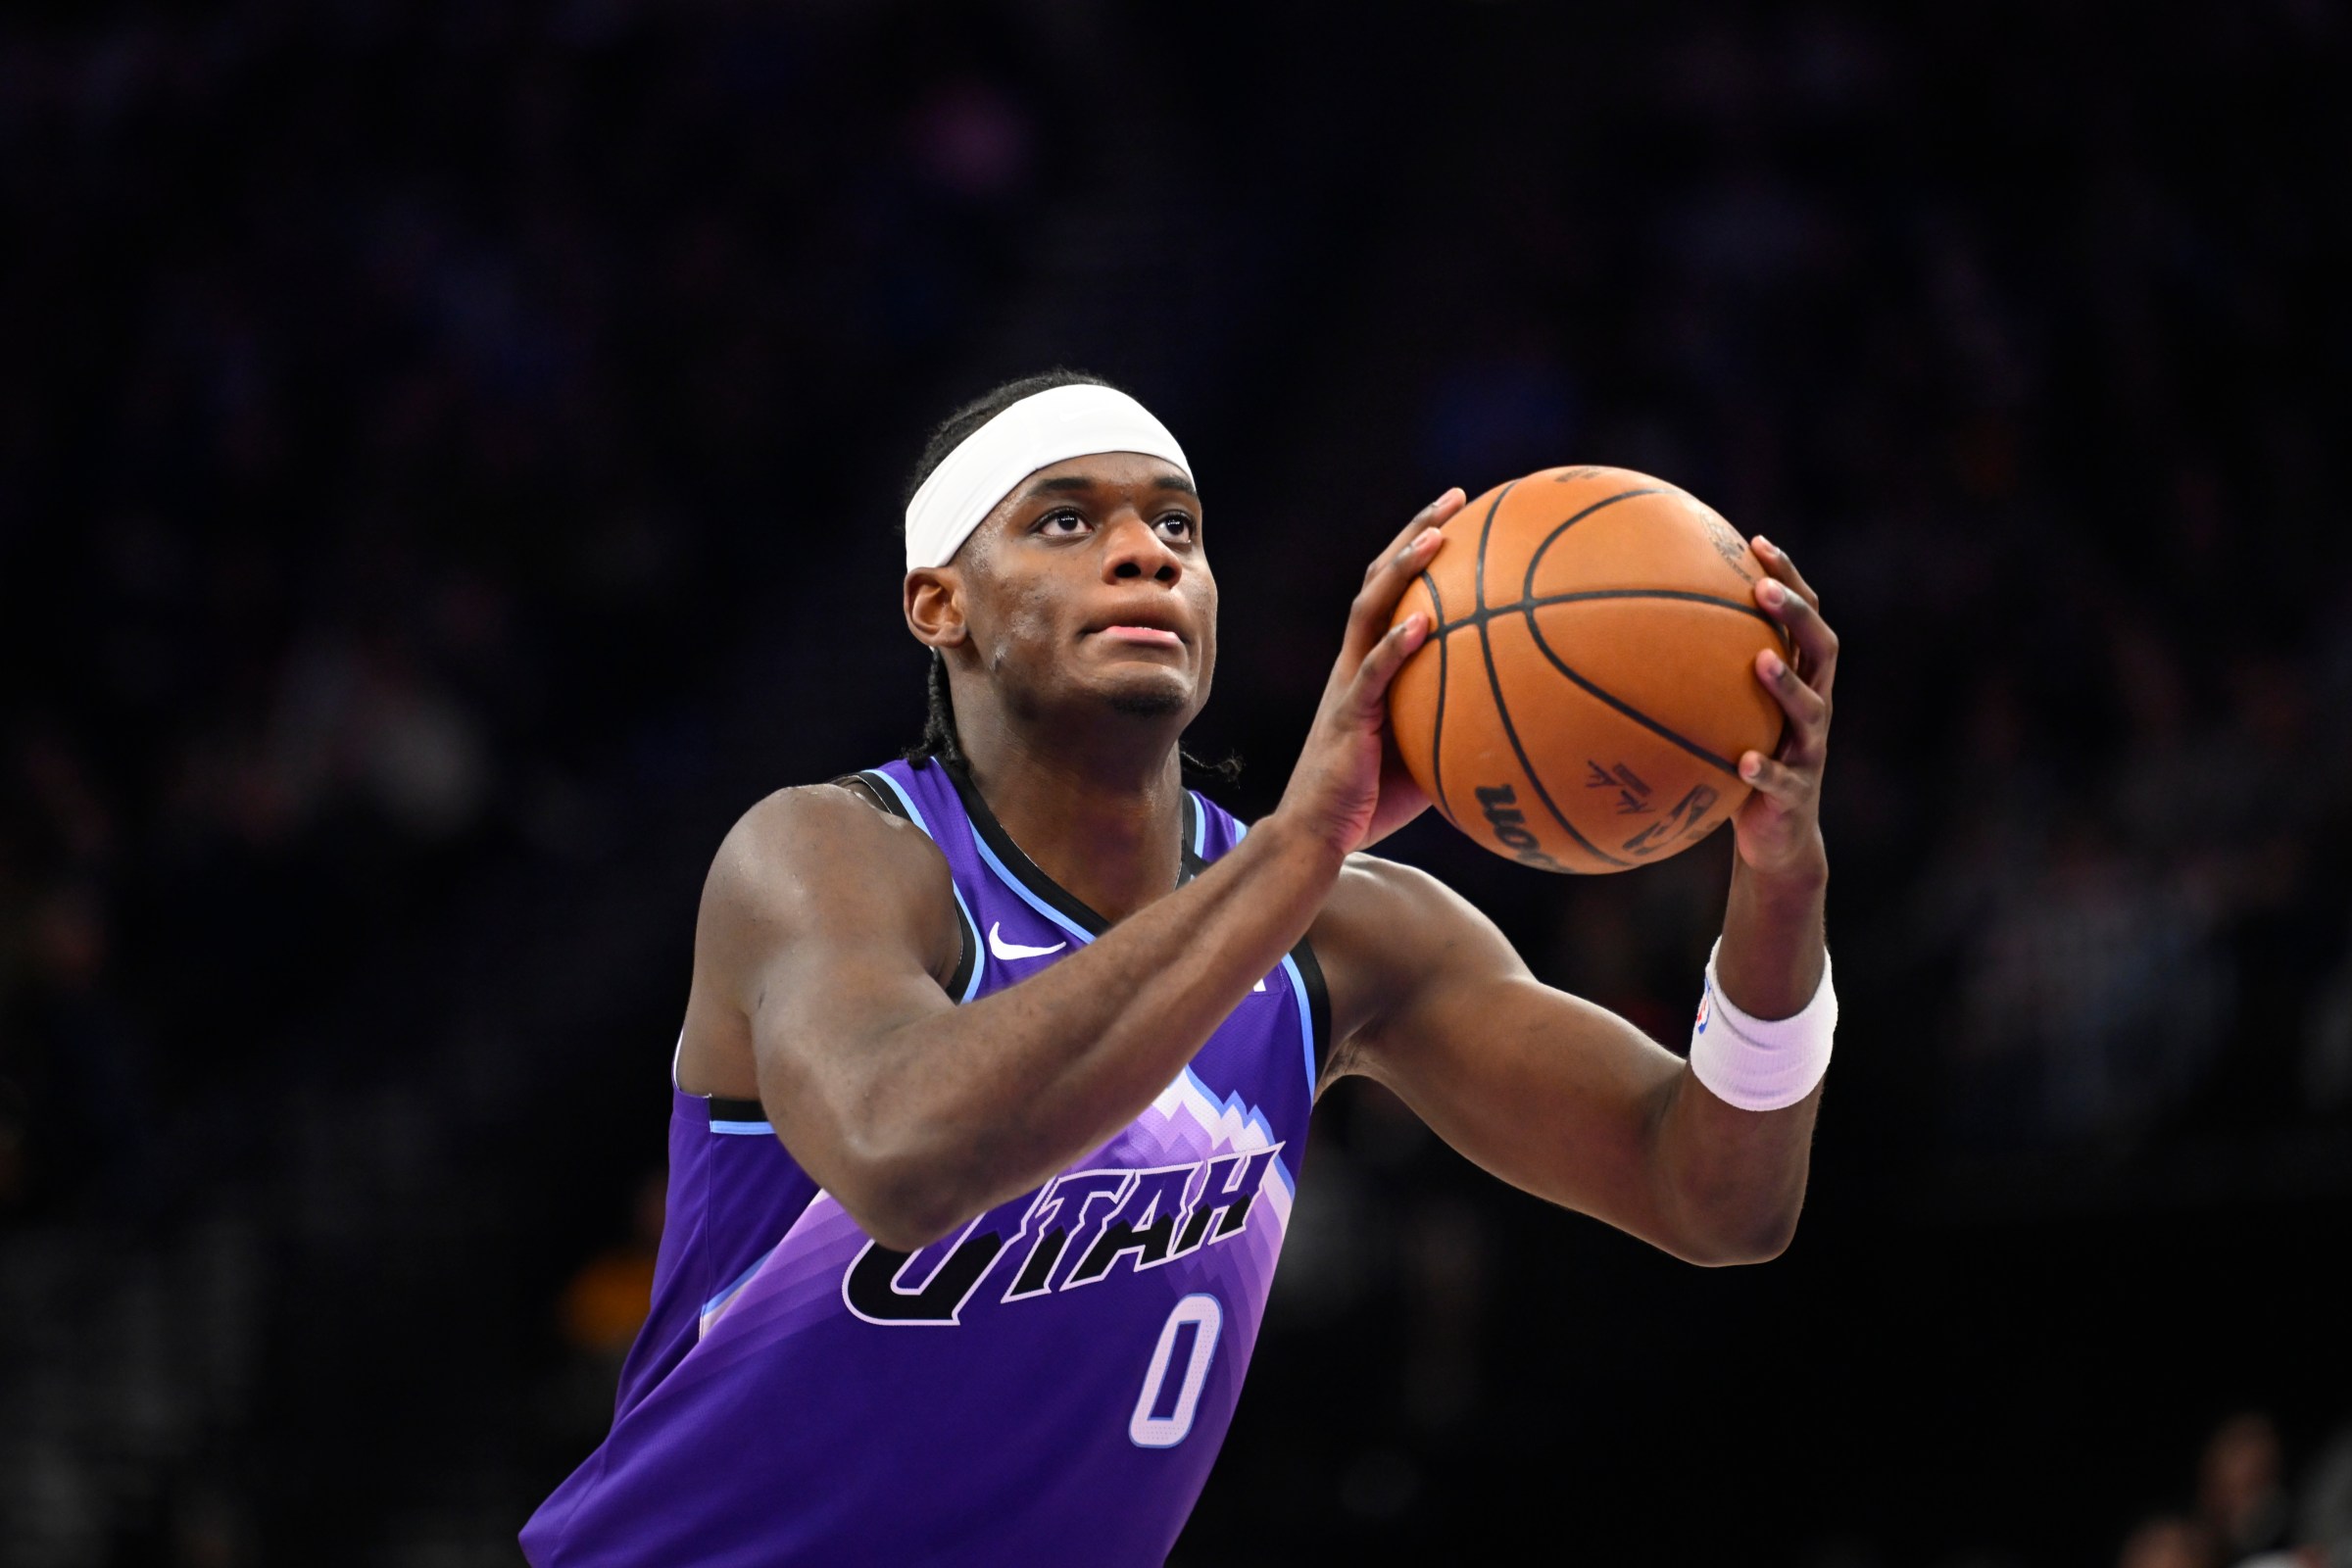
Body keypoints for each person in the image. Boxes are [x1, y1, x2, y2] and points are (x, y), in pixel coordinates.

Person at [521, 370, 1841, 1566]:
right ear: (942, 604)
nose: (1144, 552)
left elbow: (1715, 1199)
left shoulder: (1348, 933)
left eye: (1177, 527)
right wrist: (1294, 853)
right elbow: (904, 1158)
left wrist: (1780, 891)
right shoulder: (829, 859)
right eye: (1065, 522)